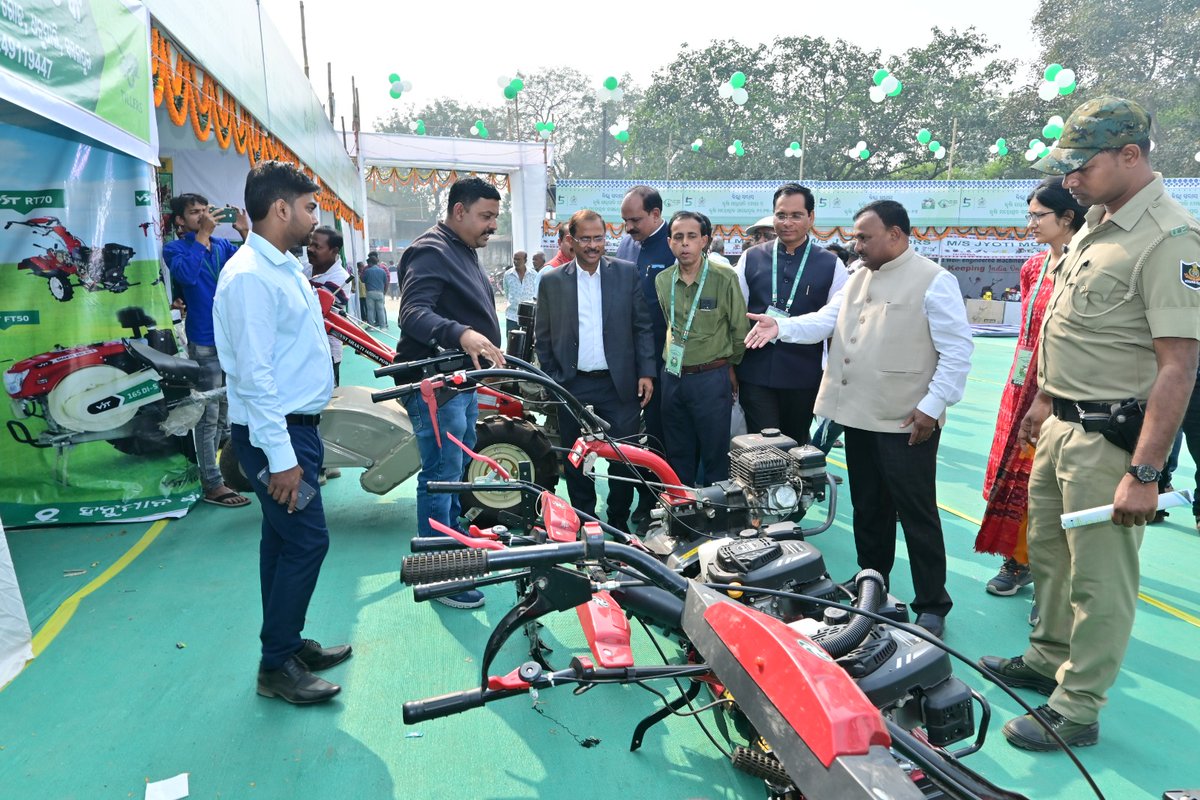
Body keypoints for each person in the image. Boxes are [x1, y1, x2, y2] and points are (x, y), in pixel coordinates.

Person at [978, 96, 1200, 751]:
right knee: (1049, 555)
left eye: (1082, 165)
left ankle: (1078, 705)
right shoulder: (1100, 224)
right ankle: (1048, 658)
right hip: (1060, 426)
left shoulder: (1169, 238)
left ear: (1131, 156)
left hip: (1110, 441)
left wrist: (1145, 472)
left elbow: (1179, 367)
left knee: (1102, 578)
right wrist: (1043, 404)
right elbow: (1067, 328)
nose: (1069, 179)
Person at [745, 200, 973, 640]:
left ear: (896, 235)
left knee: (917, 512)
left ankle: (932, 604)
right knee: (869, 509)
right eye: (855, 237)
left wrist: (931, 406)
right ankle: (874, 584)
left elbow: (957, 352)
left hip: (908, 420)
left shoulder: (933, 280)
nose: (857, 245)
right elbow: (826, 321)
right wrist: (781, 328)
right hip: (860, 415)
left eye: (865, 237)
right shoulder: (856, 277)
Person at [213, 160, 349, 705]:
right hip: (278, 436)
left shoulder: (283, 265)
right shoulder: (249, 276)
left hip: (296, 431)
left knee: (280, 540)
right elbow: (254, 376)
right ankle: (275, 667)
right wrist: (284, 457)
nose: (316, 217)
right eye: (310, 207)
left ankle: (285, 644)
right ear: (281, 209)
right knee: (308, 540)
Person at [397, 176, 507, 609]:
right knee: (440, 478)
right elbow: (412, 313)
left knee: (455, 468)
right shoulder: (431, 249)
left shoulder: (460, 248)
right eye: (485, 216)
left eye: (495, 217)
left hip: (459, 384)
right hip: (436, 387)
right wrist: (461, 334)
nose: (492, 226)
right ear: (458, 211)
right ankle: (440, 573)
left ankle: (454, 542)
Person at [974, 179, 1085, 601]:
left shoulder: (1087, 264)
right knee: (1015, 474)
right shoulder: (1032, 267)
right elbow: (1027, 333)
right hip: (1021, 386)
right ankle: (1018, 561)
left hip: (1065, 391)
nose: (1030, 223)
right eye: (1029, 215)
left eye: (1039, 216)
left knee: (1049, 481)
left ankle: (1054, 575)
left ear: (1067, 217)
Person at [535, 209, 655, 530]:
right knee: (577, 461)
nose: (592, 245)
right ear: (571, 241)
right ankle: (586, 521)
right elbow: (542, 338)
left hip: (619, 386)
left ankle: (618, 520)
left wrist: (645, 373)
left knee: (625, 459)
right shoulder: (551, 281)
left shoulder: (626, 273)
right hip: (572, 386)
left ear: (606, 237)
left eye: (598, 238)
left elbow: (642, 327)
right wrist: (554, 379)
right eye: (585, 239)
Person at [736, 184, 848, 445]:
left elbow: (834, 321)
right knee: (763, 446)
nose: (787, 222)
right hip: (755, 373)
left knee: (795, 444)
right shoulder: (750, 258)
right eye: (781, 215)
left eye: (796, 215)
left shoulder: (832, 265)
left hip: (804, 376)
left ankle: (792, 488)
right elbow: (735, 314)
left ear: (811, 217)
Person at [163, 193, 251, 509]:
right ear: (180, 221)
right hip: (204, 340)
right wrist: (203, 234)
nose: (202, 216)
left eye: (205, 210)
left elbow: (252, 262)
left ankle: (219, 472)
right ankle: (211, 483)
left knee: (228, 411)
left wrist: (244, 232)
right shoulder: (175, 249)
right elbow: (185, 275)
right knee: (209, 414)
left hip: (231, 338)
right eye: (194, 213)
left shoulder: (223, 247)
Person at [655, 210, 749, 485]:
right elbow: (668, 322)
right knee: (677, 452)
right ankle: (682, 516)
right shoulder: (663, 280)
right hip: (672, 376)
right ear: (670, 242)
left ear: (704, 241)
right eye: (678, 237)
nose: (685, 243)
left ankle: (715, 519)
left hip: (711, 377)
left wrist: (729, 366)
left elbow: (739, 330)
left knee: (715, 455)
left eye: (692, 237)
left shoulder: (724, 277)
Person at [621, 186, 677, 525]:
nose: (628, 227)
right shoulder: (628, 244)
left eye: (635, 219)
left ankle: (659, 502)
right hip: (629, 358)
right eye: (625, 220)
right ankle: (639, 497)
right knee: (630, 436)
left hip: (666, 360)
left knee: (661, 434)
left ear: (656, 214)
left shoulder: (677, 242)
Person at [501, 250, 540, 335]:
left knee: (528, 343)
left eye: (518, 259)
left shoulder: (533, 275)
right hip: (512, 315)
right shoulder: (508, 275)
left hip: (528, 315)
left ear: (525, 261)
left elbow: (536, 293)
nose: (516, 262)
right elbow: (507, 292)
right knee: (512, 342)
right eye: (514, 259)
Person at [361, 257, 389, 329]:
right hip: (380, 292)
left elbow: (363, 280)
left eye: (368, 263)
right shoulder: (382, 271)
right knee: (381, 310)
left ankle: (371, 327)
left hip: (370, 292)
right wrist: (384, 292)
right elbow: (386, 282)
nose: (368, 265)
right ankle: (383, 327)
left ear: (370, 263)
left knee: (370, 310)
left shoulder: (367, 271)